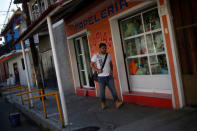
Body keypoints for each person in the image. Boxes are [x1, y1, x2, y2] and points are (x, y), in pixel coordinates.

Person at [91, 43, 123, 109]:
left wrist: (112, 70)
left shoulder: (108, 55)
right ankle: (103, 103)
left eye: (105, 48)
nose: (105, 49)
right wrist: (97, 70)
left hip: (109, 76)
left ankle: (117, 102)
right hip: (101, 77)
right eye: (103, 48)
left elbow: (111, 64)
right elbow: (91, 65)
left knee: (113, 90)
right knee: (102, 92)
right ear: (99, 49)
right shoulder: (96, 56)